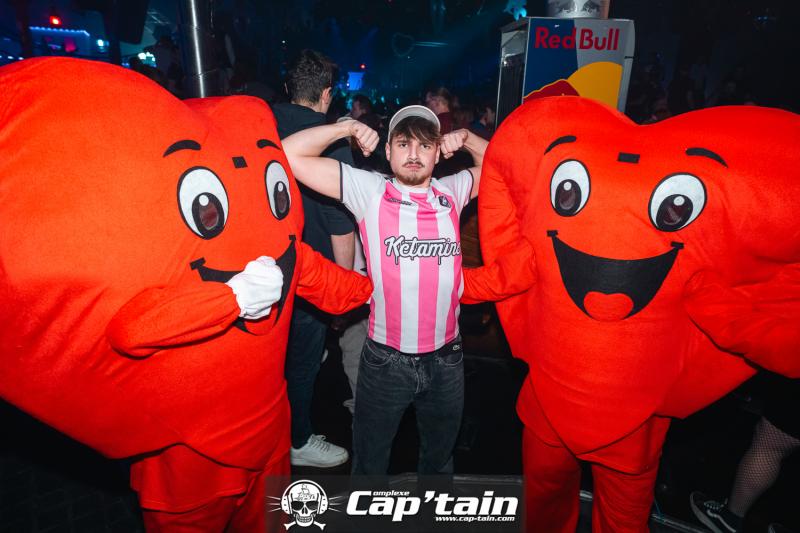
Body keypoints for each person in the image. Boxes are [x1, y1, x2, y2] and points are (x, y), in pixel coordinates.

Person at [282, 105, 488, 474]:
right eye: (404, 144)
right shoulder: (371, 190)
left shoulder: (452, 191)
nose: (414, 154)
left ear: (438, 153)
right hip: (385, 362)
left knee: (439, 462)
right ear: (388, 151)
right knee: (369, 465)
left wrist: (469, 138)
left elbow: (500, 167)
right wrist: (344, 129)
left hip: (447, 360)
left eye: (425, 145)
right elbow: (288, 153)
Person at [272, 49, 355, 468]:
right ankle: (298, 440)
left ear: (289, 88)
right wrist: (341, 290)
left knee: (276, 357)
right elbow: (341, 224)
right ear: (326, 94)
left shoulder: (263, 125)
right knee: (303, 362)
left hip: (267, 266)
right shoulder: (331, 140)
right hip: (310, 271)